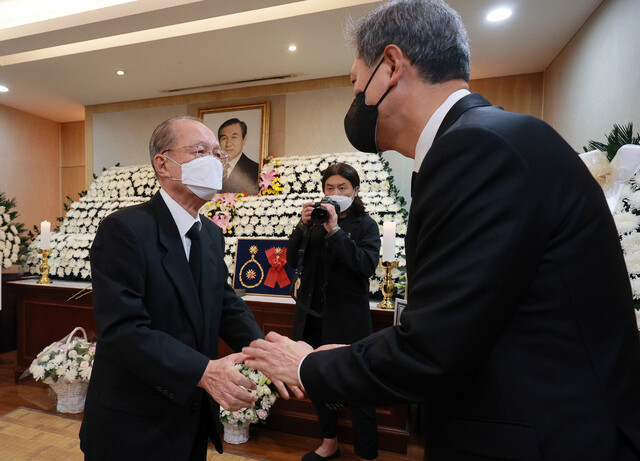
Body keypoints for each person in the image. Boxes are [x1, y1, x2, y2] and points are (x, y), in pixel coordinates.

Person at [243, 1, 640, 460]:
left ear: (391, 66)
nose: (354, 100)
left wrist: (307, 363)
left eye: (355, 82)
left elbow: (431, 349)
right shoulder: (492, 138)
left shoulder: (475, 149)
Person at [80, 116, 268, 460]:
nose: (214, 161)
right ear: (163, 164)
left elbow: (223, 301)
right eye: (200, 151)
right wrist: (203, 371)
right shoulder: (124, 230)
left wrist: (264, 351)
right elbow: (123, 330)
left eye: (217, 154)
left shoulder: (211, 234)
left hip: (191, 418)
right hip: (133, 423)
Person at [288, 163, 380, 461]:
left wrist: (335, 230)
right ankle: (329, 442)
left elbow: (364, 266)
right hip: (314, 317)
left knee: (358, 383)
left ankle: (367, 451)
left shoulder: (366, 225)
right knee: (319, 381)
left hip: (348, 319)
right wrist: (302, 227)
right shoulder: (315, 219)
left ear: (355, 191)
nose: (335, 193)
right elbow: (292, 260)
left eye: (342, 188)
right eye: (330, 188)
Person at [218, 118, 260, 195]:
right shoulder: (210, 168)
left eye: (234, 137)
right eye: (224, 138)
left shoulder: (256, 171)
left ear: (244, 139)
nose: (228, 144)